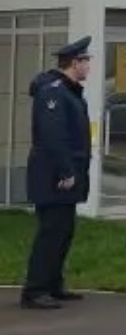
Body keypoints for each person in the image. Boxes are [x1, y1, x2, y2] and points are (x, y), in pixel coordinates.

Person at [19, 36, 93, 311]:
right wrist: (66, 171)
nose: (88, 66)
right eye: (85, 61)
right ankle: (35, 290)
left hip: (65, 173)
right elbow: (53, 135)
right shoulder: (53, 92)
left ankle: (53, 284)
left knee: (63, 232)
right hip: (53, 175)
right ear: (74, 63)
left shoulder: (68, 91)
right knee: (51, 232)